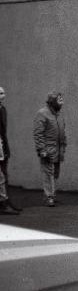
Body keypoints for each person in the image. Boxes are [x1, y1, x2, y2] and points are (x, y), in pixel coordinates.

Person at [33, 92, 67, 207]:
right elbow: (38, 134)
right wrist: (42, 150)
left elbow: (63, 131)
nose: (62, 102)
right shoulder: (42, 113)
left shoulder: (59, 114)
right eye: (59, 100)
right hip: (47, 150)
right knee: (48, 174)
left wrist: (63, 146)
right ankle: (49, 197)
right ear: (52, 102)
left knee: (55, 174)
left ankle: (52, 195)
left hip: (58, 150)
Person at [0, 86, 22, 214]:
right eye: (0, 93)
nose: (3, 95)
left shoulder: (3, 109)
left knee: (4, 175)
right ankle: (3, 203)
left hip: (2, 146)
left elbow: (3, 132)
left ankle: (6, 201)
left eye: (3, 93)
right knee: (1, 177)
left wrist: (6, 148)